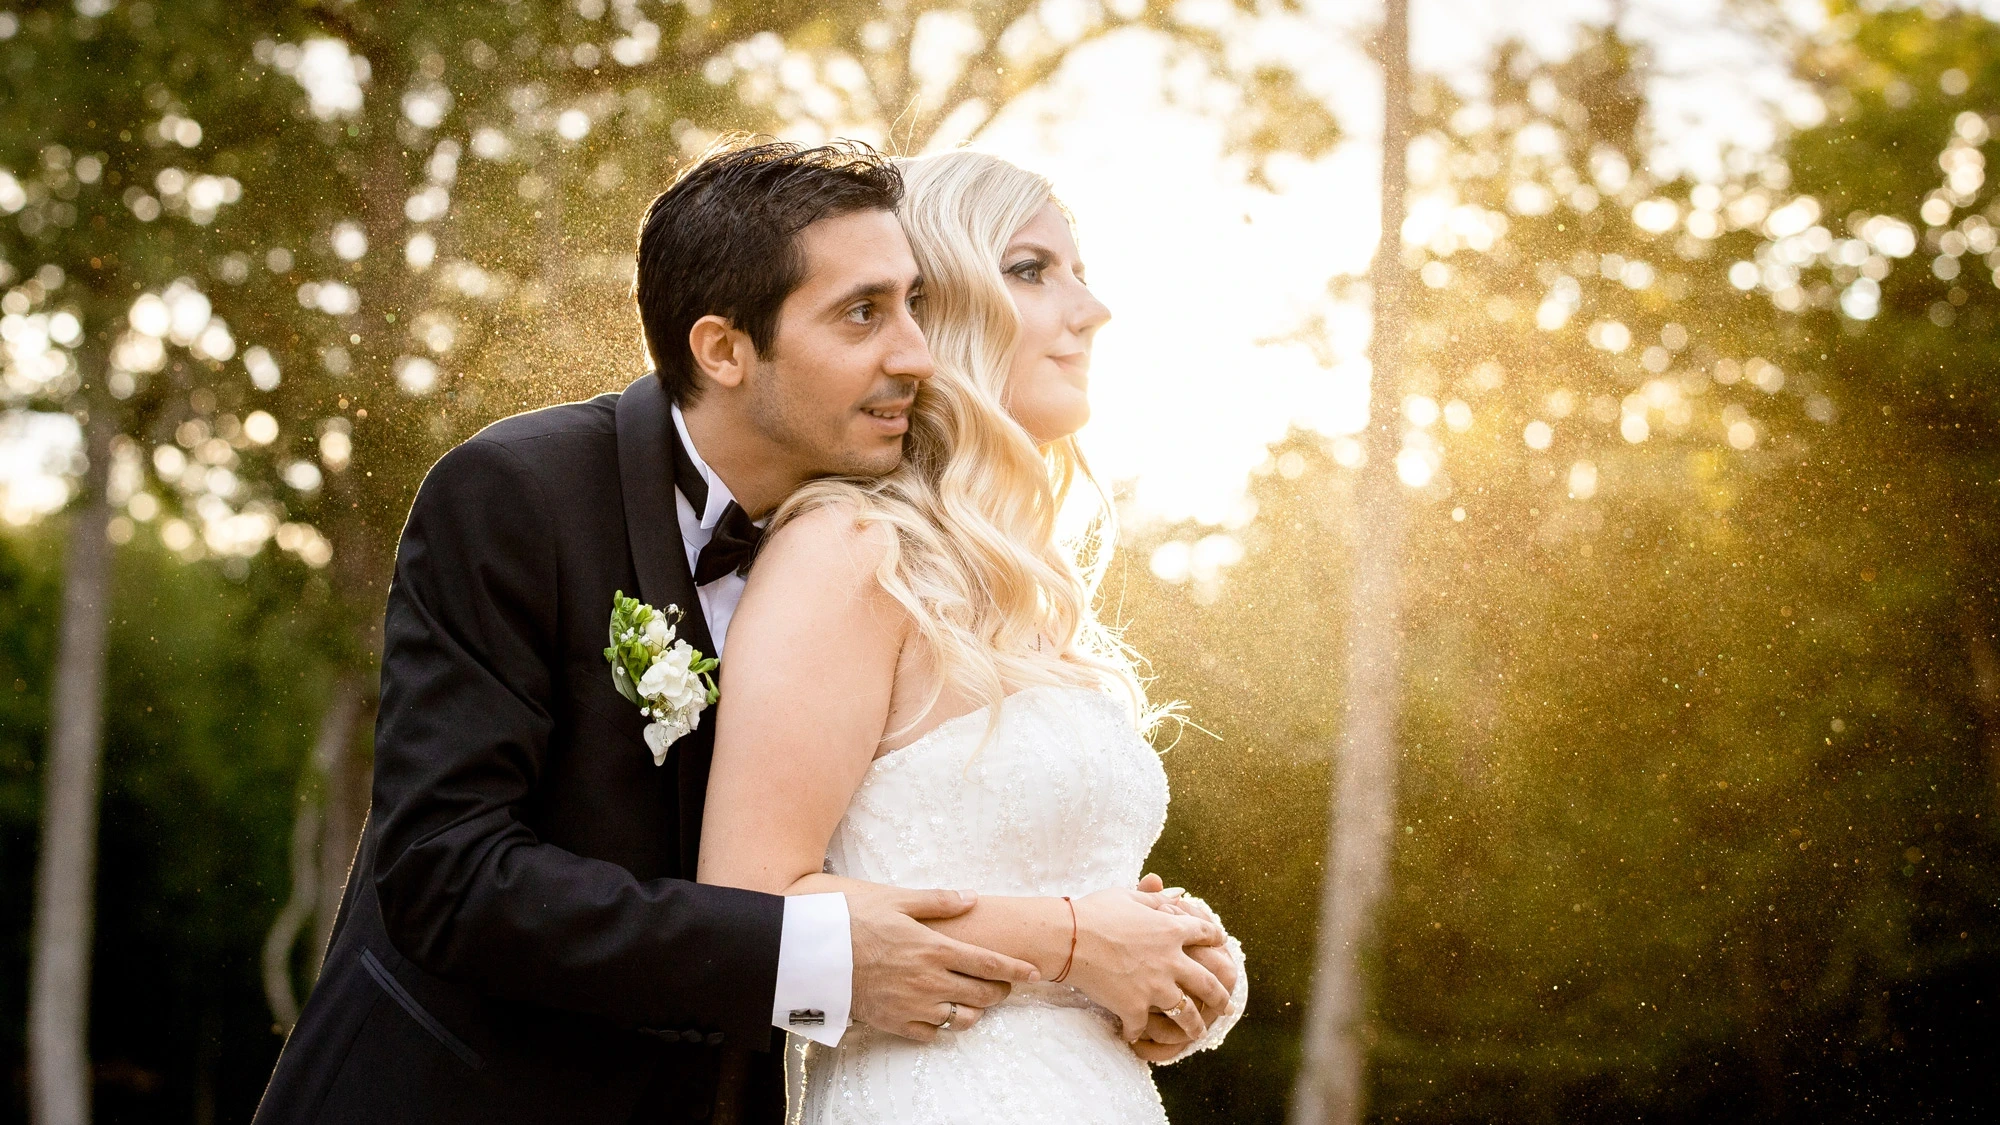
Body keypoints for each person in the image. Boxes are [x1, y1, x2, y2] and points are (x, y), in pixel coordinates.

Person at [252, 139, 1222, 1125]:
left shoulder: (884, 546)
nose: (914, 352)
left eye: (912, 304)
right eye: (863, 313)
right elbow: (447, 875)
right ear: (723, 349)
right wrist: (850, 960)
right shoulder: (522, 494)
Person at [697, 150, 1247, 1123]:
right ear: (930, 308)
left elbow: (1078, 906)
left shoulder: (1037, 602)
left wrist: (1181, 971)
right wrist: (1075, 941)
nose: (1091, 309)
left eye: (1075, 270)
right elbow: (744, 907)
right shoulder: (847, 554)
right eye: (1033, 270)